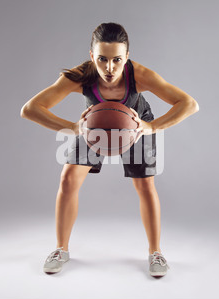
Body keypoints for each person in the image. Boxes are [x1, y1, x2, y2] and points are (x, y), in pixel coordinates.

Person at [20, 22, 199, 277]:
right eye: (102, 59)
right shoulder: (80, 75)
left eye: (117, 59)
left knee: (146, 186)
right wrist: (72, 127)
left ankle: (156, 253)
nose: (109, 67)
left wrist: (150, 127)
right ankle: (61, 249)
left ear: (127, 58)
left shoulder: (141, 75)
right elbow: (30, 109)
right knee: (68, 180)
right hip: (94, 126)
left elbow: (189, 104)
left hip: (135, 124)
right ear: (92, 56)